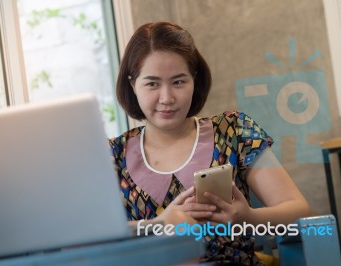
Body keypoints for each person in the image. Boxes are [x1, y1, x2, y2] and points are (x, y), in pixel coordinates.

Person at [109, 21, 310, 265]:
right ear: (132, 84)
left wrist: (250, 220)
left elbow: (299, 211)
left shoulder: (234, 130)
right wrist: (157, 225)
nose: (167, 98)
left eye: (179, 81)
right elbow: (92, 238)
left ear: (194, 79)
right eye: (152, 83)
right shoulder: (112, 155)